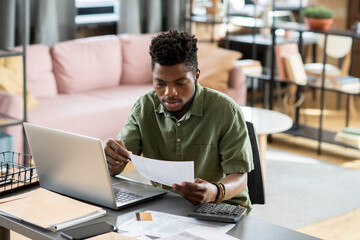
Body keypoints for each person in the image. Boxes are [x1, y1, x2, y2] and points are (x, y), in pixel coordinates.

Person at [105, 29, 254, 212]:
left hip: (223, 206)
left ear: (196, 76)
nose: (169, 93)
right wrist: (112, 161)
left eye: (180, 83)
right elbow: (119, 162)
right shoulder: (144, 107)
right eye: (160, 84)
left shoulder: (225, 110)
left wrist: (214, 192)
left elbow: (239, 176)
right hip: (168, 207)